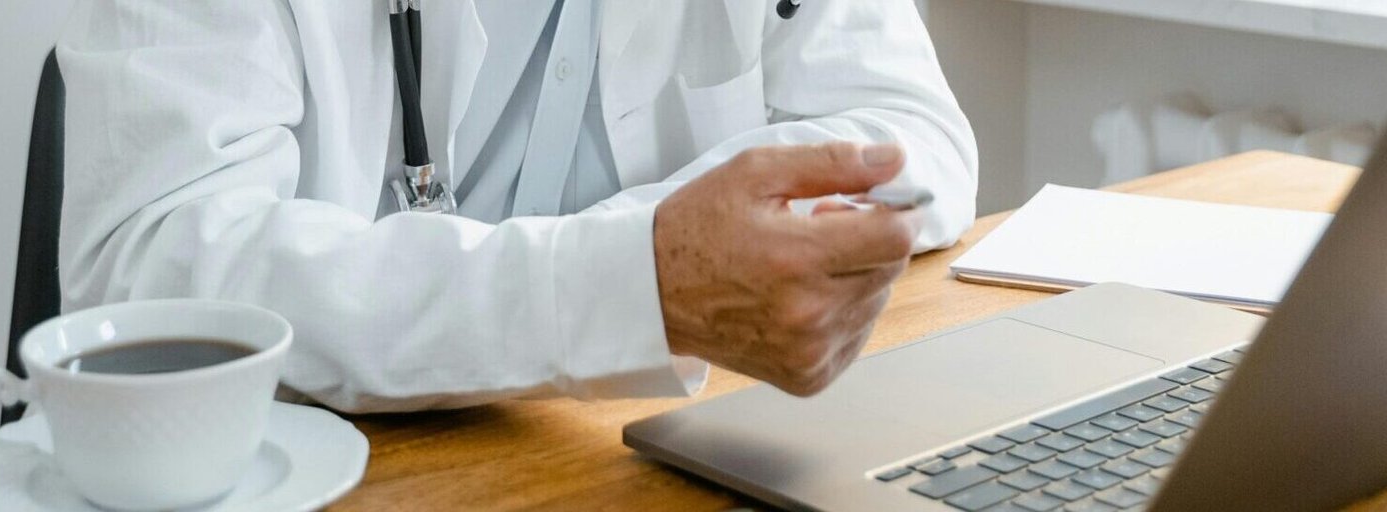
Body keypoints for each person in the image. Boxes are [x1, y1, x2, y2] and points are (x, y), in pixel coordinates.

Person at [54, 0, 978, 412]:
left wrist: (680, 254)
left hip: (592, 462)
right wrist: (630, 282)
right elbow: (154, 265)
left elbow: (913, 130)